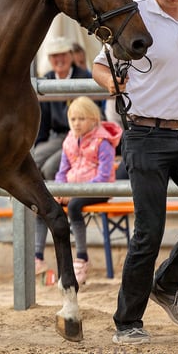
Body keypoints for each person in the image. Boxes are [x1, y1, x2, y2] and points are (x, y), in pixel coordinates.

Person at [92, 0, 178, 345]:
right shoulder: (134, 12)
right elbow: (99, 65)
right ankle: (128, 321)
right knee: (150, 230)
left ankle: (165, 285)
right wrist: (110, 82)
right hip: (146, 134)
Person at [34, 97, 122, 284]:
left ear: (93, 119)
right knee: (44, 205)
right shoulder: (69, 141)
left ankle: (82, 258)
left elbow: (104, 176)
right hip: (72, 189)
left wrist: (73, 192)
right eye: (73, 119)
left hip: (98, 190)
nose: (76, 123)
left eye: (81, 118)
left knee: (74, 206)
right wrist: (60, 190)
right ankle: (37, 256)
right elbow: (62, 171)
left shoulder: (103, 142)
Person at [32, 36, 103, 180]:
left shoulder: (85, 78)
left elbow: (93, 113)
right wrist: (40, 142)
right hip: (56, 136)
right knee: (32, 161)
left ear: (71, 55)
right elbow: (43, 117)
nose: (59, 59)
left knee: (50, 168)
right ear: (49, 59)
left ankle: (58, 200)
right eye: (54, 56)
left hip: (81, 136)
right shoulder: (47, 79)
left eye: (63, 54)